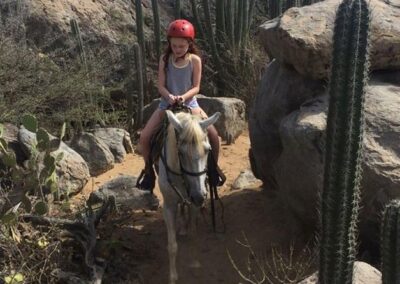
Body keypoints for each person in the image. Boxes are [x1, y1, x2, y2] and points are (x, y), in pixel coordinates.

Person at [136, 19, 223, 191]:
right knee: (145, 137)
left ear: (189, 44)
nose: (177, 49)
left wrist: (182, 97)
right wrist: (169, 97)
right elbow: (160, 85)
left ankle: (213, 170)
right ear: (170, 43)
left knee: (214, 136)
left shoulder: (195, 60)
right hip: (166, 106)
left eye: (181, 46)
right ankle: (148, 173)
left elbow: (196, 87)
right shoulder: (165, 59)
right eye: (174, 45)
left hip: (190, 105)